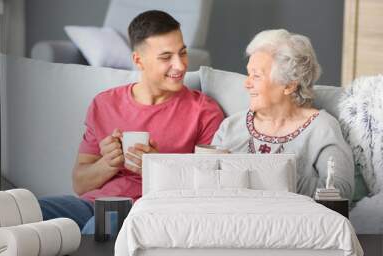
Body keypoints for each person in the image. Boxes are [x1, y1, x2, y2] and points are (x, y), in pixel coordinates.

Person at [39, 10, 224, 231]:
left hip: (144, 210)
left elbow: (211, 189)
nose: (181, 65)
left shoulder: (204, 111)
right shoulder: (104, 103)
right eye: (166, 57)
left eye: (182, 53)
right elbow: (80, 184)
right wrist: (107, 163)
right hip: (91, 204)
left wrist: (157, 168)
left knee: (98, 228)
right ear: (139, 60)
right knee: (28, 210)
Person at [212, 29, 354, 199]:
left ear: (289, 86)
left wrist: (272, 179)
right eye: (248, 73)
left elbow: (341, 189)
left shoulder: (321, 129)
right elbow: (208, 184)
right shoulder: (231, 126)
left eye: (256, 76)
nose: (246, 83)